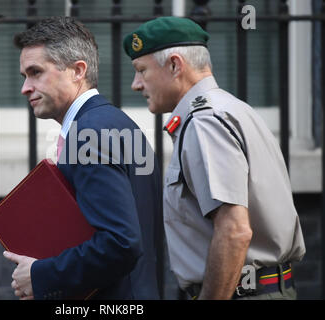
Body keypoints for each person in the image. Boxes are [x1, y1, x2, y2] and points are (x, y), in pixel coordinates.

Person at [123, 16, 306, 300]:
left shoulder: (204, 123)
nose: (136, 84)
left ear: (174, 65)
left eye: (141, 70)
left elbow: (234, 231)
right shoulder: (233, 109)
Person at [2, 16, 163, 300]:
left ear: (78, 70)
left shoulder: (88, 133)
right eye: (24, 76)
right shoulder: (118, 122)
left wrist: (40, 274)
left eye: (36, 72)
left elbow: (120, 244)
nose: (25, 87)